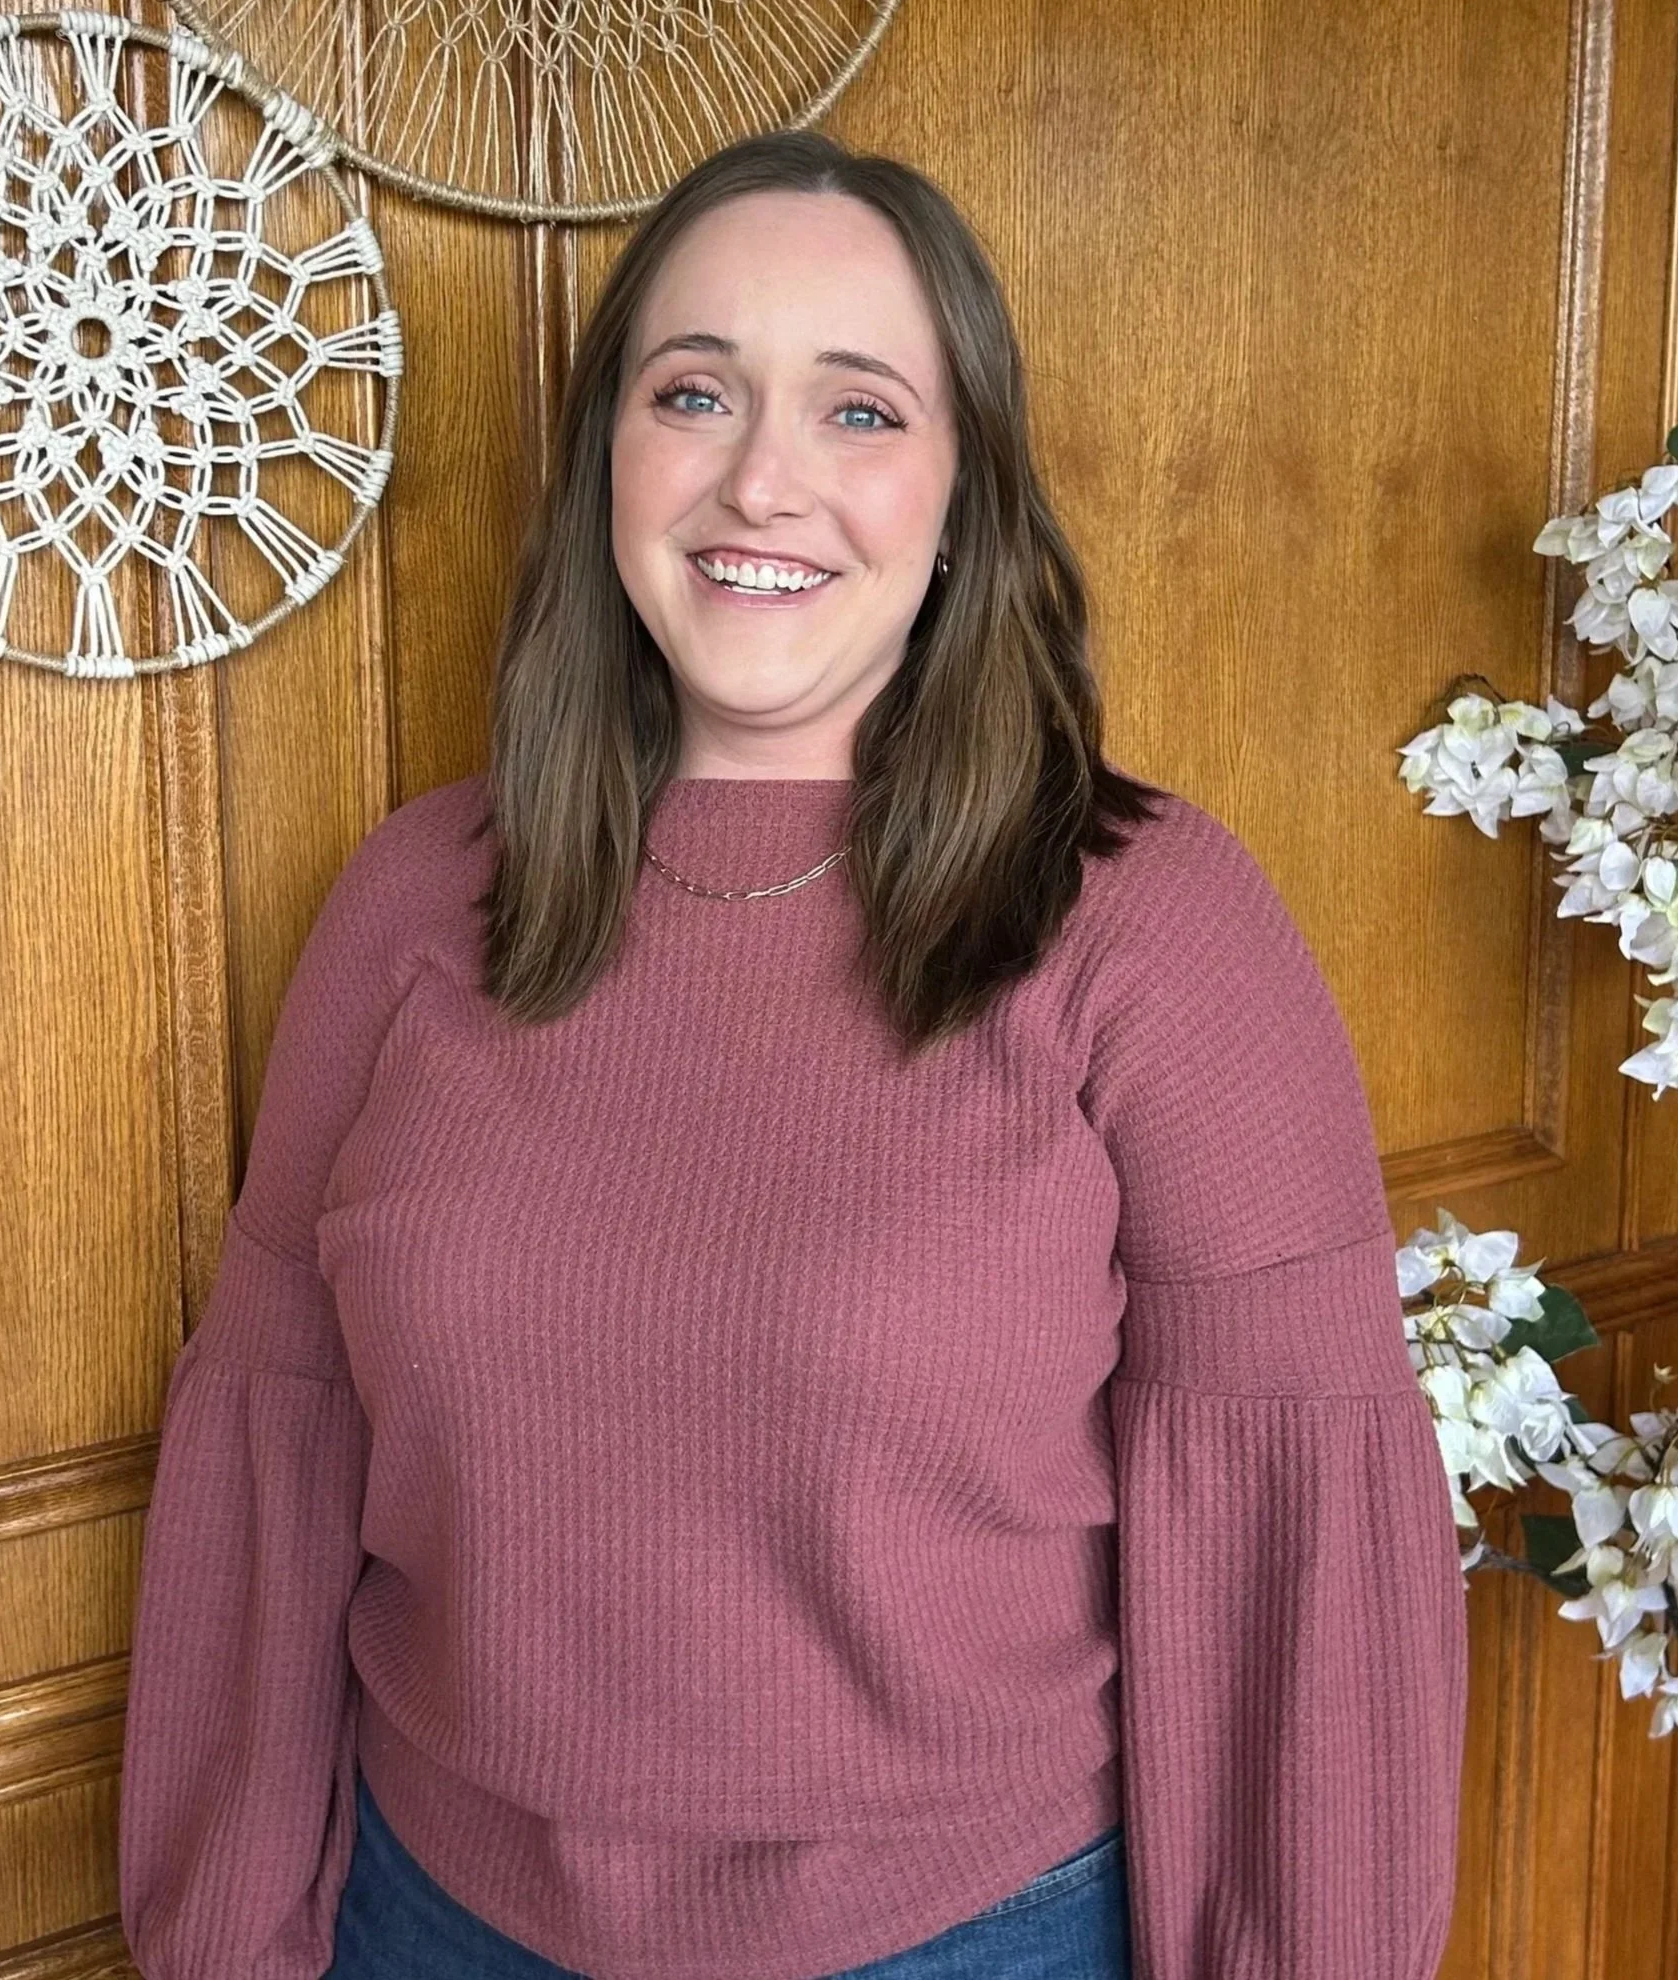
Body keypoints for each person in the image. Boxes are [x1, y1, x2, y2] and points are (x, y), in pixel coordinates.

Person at [117, 130, 1469, 1980]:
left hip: (967, 1938)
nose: (764, 479)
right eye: (696, 393)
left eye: (859, 411)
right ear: (610, 451)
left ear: (966, 490)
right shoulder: (412, 904)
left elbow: (1298, 1567)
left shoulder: (1151, 930)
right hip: (430, 1923)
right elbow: (272, 1468)